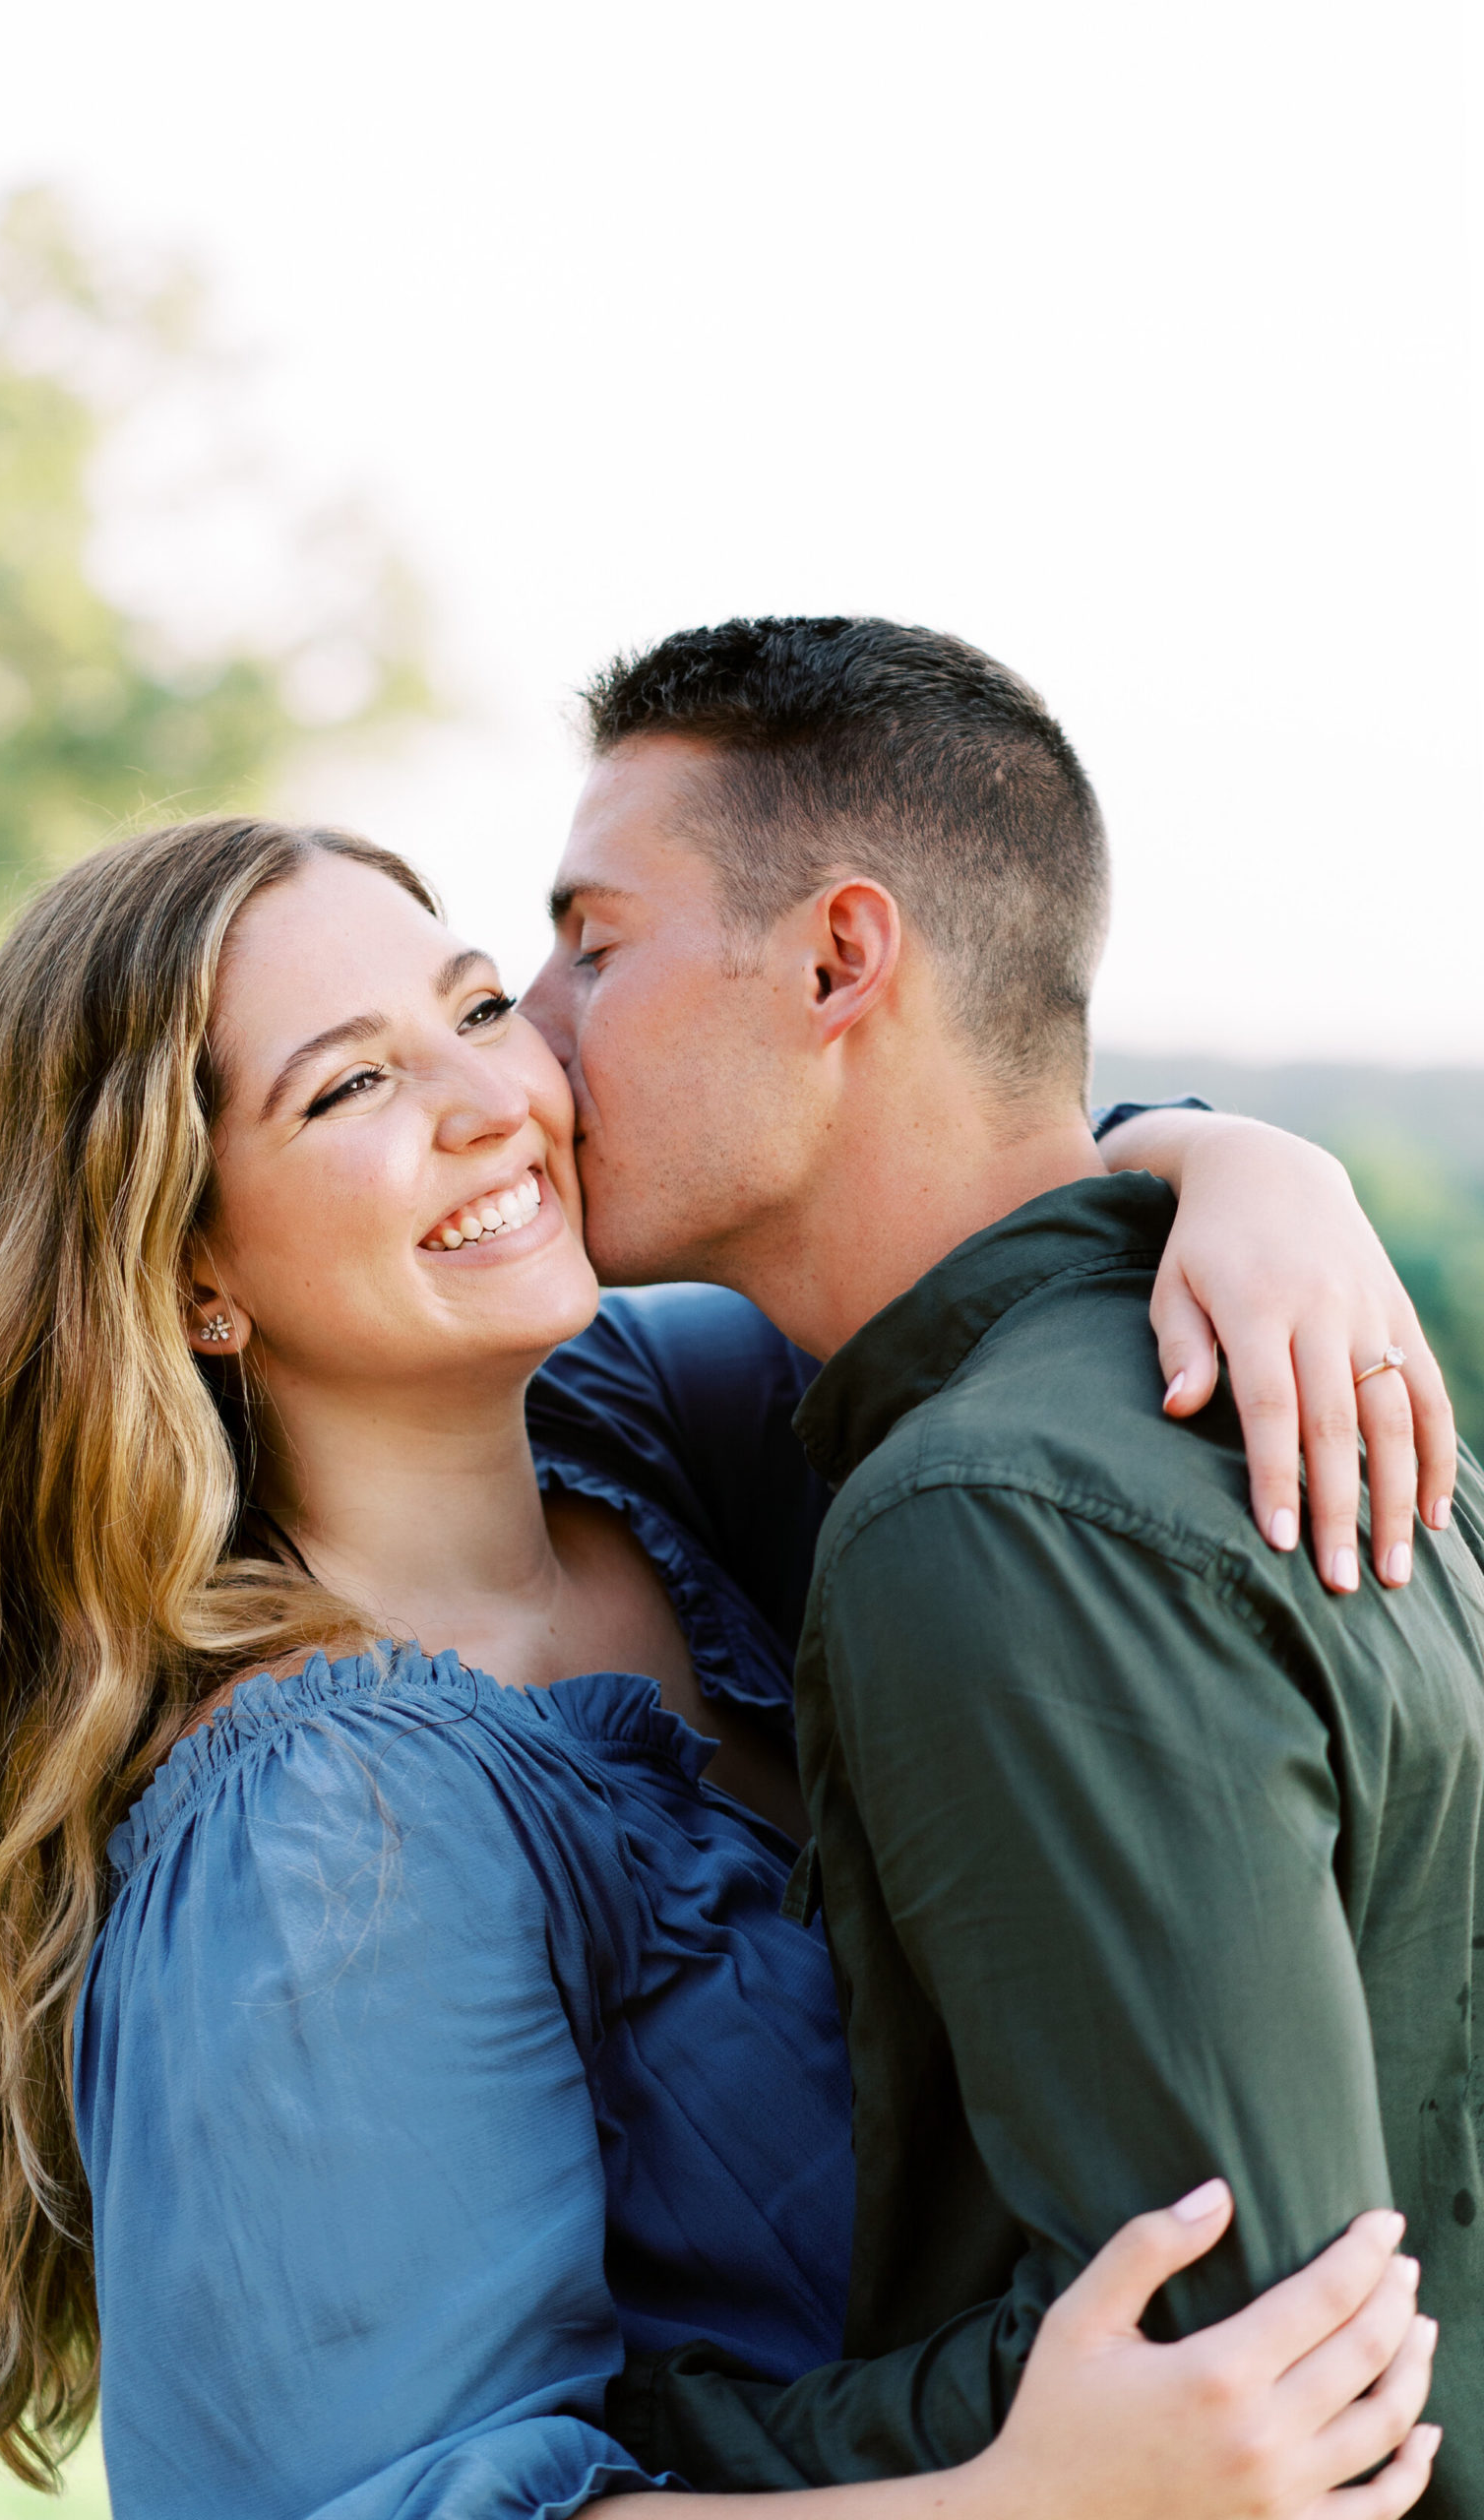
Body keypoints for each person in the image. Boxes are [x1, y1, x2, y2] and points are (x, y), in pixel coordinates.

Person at [0, 810, 1443, 2520]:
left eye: (479, 1009)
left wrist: (1237, 1168)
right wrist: (1034, 2500)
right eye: (350, 1088)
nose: (492, 1101)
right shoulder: (317, 1832)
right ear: (192, 1263)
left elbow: (940, 1227)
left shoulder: (631, 1426)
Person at [517, 615, 1482, 2516]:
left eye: (593, 944)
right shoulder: (1260, 1362)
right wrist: (1219, 1152)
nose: (535, 1036)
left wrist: (582, 2451)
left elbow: (1234, 2369)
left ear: (838, 956)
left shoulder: (989, 1512)